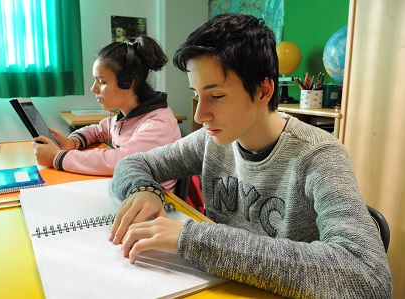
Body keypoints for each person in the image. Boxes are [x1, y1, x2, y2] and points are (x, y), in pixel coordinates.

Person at [109, 14, 392, 298]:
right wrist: (143, 190)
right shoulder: (213, 139)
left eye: (216, 96)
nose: (199, 115)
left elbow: (369, 277)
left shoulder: (319, 155)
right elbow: (133, 163)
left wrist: (193, 239)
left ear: (263, 90)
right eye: (196, 94)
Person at [34, 36, 181, 190]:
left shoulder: (157, 123)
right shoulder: (128, 115)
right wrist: (74, 142)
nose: (93, 89)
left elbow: (120, 161)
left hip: (155, 201)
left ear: (127, 82)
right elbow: (100, 129)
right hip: (130, 189)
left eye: (102, 82)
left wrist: (58, 158)